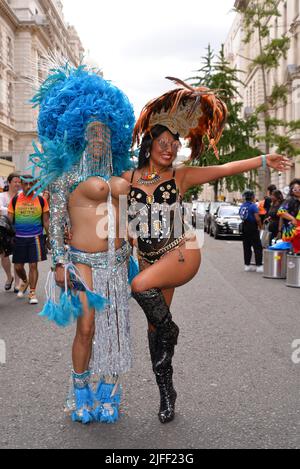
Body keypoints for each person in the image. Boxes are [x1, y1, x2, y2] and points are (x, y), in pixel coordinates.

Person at [122, 77, 291, 424]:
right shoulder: (128, 178)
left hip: (181, 250)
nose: (169, 149)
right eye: (163, 143)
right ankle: (166, 393)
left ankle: (172, 332)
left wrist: (262, 159)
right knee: (154, 329)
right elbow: (106, 203)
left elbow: (226, 168)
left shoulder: (181, 177)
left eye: (174, 144)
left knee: (139, 288)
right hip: (148, 258)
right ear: (149, 144)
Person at [29, 62, 135, 424]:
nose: (99, 137)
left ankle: (109, 391)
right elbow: (55, 221)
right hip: (81, 261)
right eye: (92, 130)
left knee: (114, 330)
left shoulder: (120, 175)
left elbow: (130, 216)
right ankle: (80, 391)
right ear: (79, 133)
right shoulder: (67, 176)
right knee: (87, 328)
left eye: (104, 131)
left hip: (117, 261)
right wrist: (58, 261)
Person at [7, 175, 49, 304]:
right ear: (22, 185)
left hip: (35, 238)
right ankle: (24, 281)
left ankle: (32, 292)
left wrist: (50, 238)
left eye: (31, 184)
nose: (29, 187)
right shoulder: (15, 199)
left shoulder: (41, 200)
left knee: (33, 265)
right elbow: (9, 221)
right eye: (25, 184)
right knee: (18, 267)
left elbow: (46, 221)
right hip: (19, 238)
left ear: (36, 184)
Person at [0, 172, 21, 292]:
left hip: (19, 227)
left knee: (18, 255)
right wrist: (14, 210)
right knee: (4, 255)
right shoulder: (2, 196)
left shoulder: (22, 196)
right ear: (9, 183)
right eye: (15, 182)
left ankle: (17, 283)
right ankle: (9, 277)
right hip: (4, 228)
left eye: (19, 182)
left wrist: (7, 210)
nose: (17, 184)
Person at [239, 190, 264, 272]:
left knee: (246, 246)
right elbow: (257, 218)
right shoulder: (253, 206)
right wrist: (261, 227)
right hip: (252, 227)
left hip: (244, 226)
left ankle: (247, 265)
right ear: (252, 197)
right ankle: (259, 266)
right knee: (257, 246)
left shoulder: (242, 206)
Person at [278, 179, 300, 254]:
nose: (298, 191)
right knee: (292, 256)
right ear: (291, 190)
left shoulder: (297, 200)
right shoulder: (290, 200)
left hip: (295, 233)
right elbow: (281, 211)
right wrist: (292, 219)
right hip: (291, 233)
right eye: (296, 189)